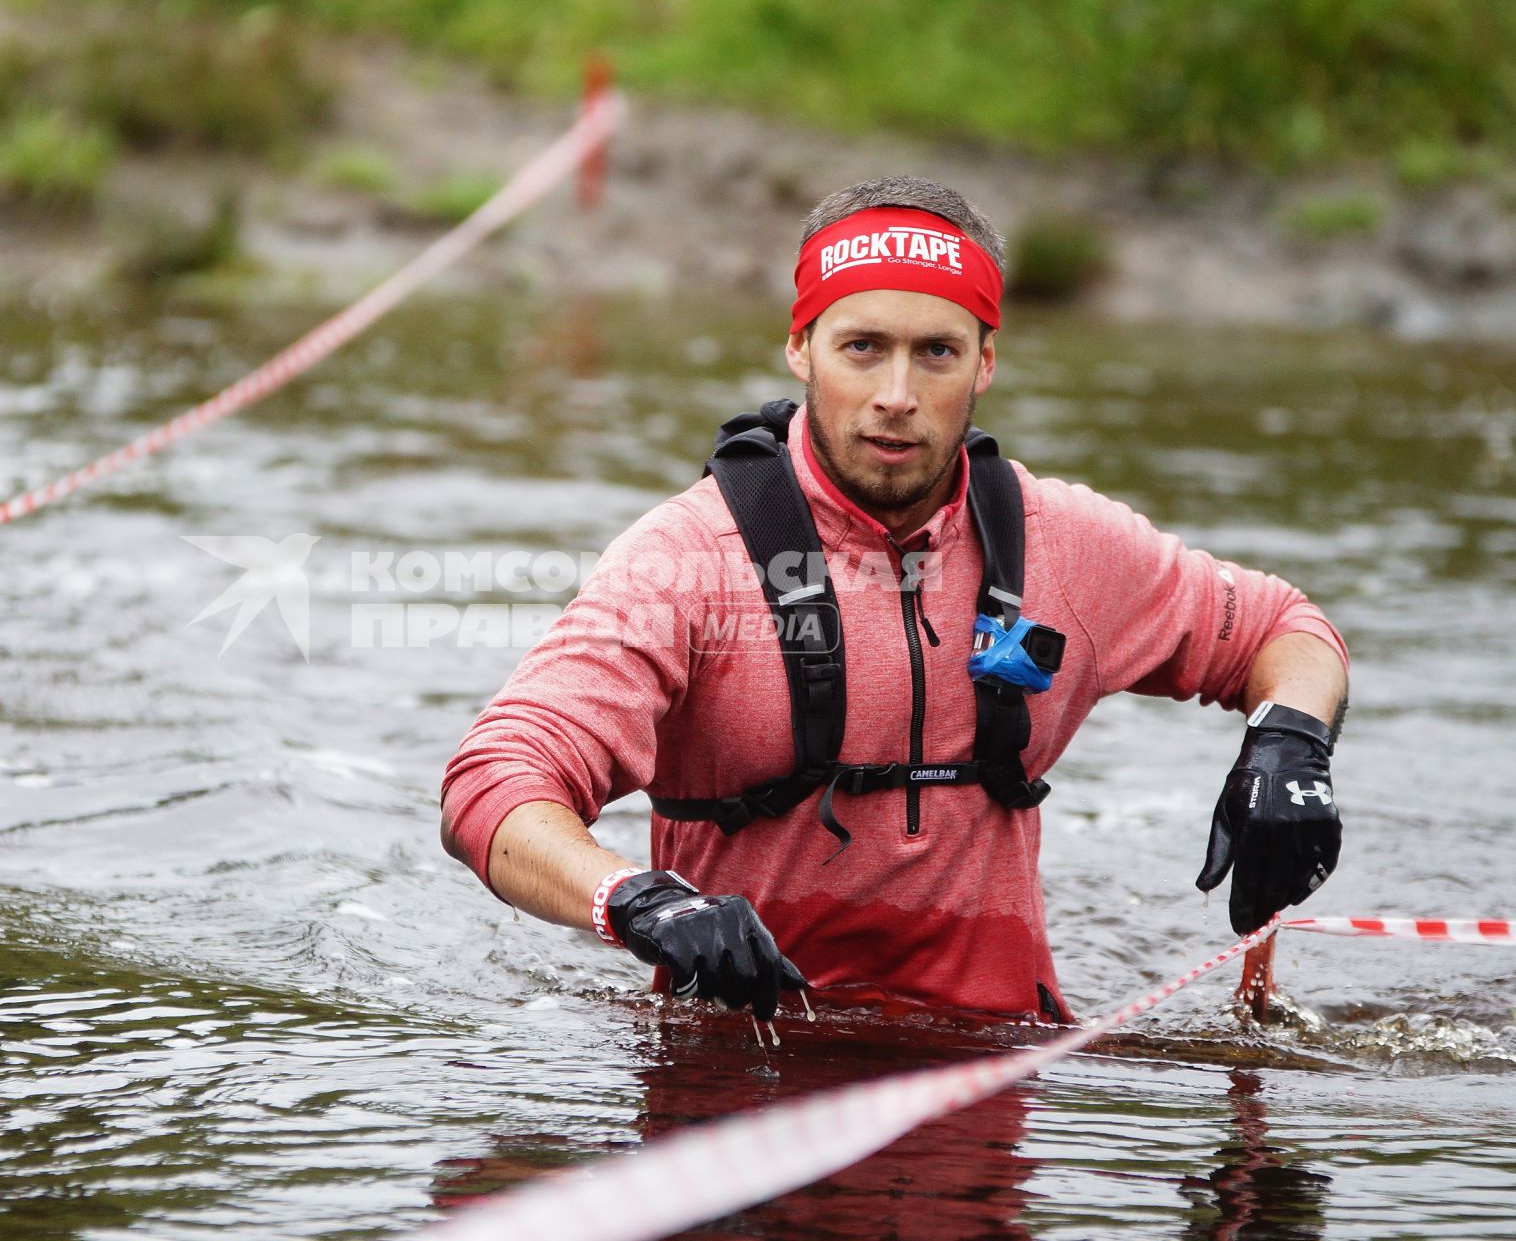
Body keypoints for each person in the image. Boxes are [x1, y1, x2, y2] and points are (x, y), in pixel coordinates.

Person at [439, 176, 1347, 1024]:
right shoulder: (686, 562)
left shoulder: (1066, 544)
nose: (897, 397)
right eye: (862, 348)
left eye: (937, 353)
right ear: (801, 347)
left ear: (986, 362)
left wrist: (1291, 742)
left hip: (995, 1074)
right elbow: (495, 785)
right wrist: (637, 900)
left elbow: (1284, 629)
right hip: (742, 1072)